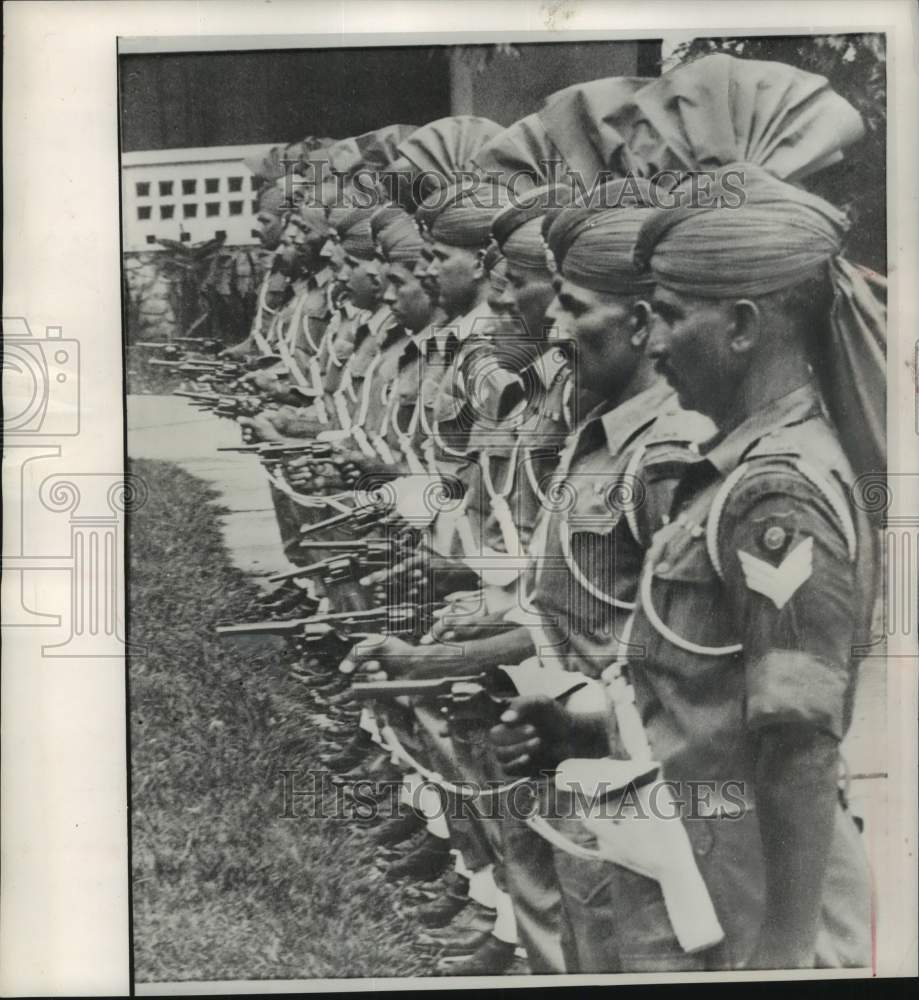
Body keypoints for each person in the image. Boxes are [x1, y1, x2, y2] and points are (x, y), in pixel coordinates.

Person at [492, 163, 884, 971]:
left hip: (740, 918)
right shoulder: (735, 475)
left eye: (669, 316)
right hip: (686, 882)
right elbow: (705, 700)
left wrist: (782, 957)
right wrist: (587, 723)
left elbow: (799, 752)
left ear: (741, 325)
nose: (656, 341)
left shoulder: (775, 494)